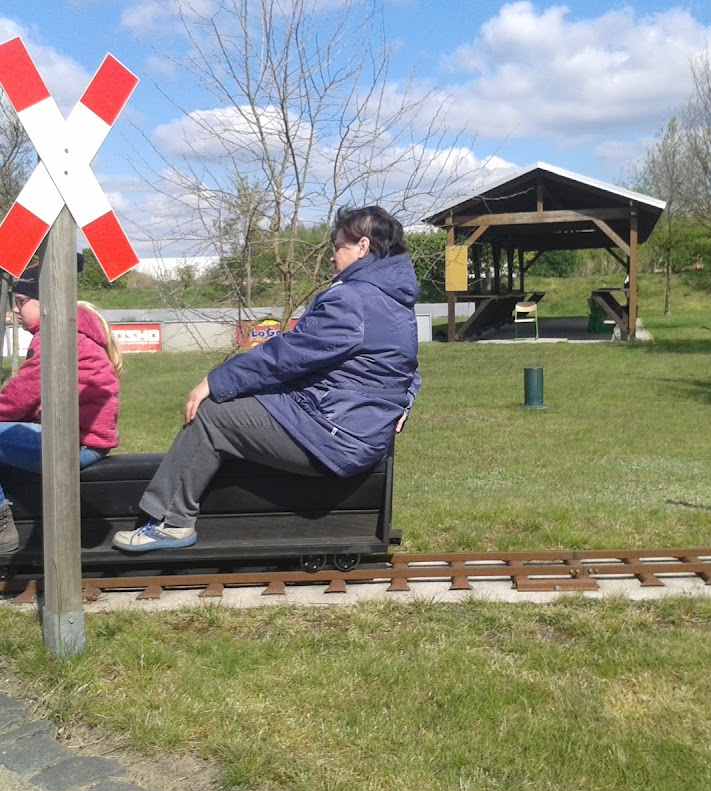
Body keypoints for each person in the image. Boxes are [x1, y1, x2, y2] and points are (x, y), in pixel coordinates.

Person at [113, 205, 420, 553]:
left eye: (337, 247)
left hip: (334, 432)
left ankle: (170, 523)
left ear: (363, 246)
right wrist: (404, 401)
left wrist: (215, 381)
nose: (332, 258)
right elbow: (407, 365)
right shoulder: (395, 300)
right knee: (243, 408)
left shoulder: (353, 298)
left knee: (213, 414)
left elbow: (287, 356)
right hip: (355, 427)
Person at [0, 261, 122, 553]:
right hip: (77, 438)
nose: (16, 310)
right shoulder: (70, 332)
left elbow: (22, 395)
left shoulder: (56, 336)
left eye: (20, 302)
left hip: (74, 444)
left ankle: (2, 528)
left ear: (46, 302)